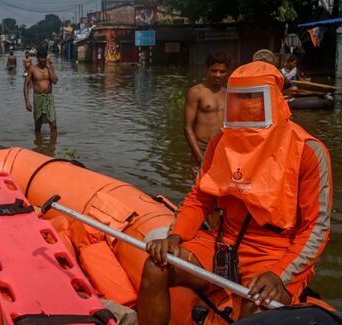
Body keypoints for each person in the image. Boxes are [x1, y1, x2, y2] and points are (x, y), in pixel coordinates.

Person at [137, 61, 332, 325]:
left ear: (274, 99)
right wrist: (176, 235)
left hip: (275, 252)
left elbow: (315, 228)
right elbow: (200, 196)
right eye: (241, 98)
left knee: (258, 307)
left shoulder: (308, 151)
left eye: (255, 97)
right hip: (222, 242)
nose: (248, 105)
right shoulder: (221, 142)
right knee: (155, 267)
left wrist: (280, 274)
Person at [184, 52, 231, 180]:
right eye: (214, 71)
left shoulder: (228, 94)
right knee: (199, 189)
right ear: (207, 70)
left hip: (222, 149)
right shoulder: (196, 92)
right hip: (202, 148)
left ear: (227, 72)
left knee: (220, 189)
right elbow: (188, 128)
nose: (218, 75)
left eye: (222, 71)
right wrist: (199, 156)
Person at [24, 48, 59, 135]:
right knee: (38, 126)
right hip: (38, 98)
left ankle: (52, 146)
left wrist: (49, 68)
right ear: (37, 58)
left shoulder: (50, 67)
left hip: (49, 98)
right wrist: (27, 102)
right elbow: (26, 85)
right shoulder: (32, 69)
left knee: (53, 125)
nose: (43, 60)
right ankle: (38, 144)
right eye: (41, 58)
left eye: (44, 57)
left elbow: (55, 81)